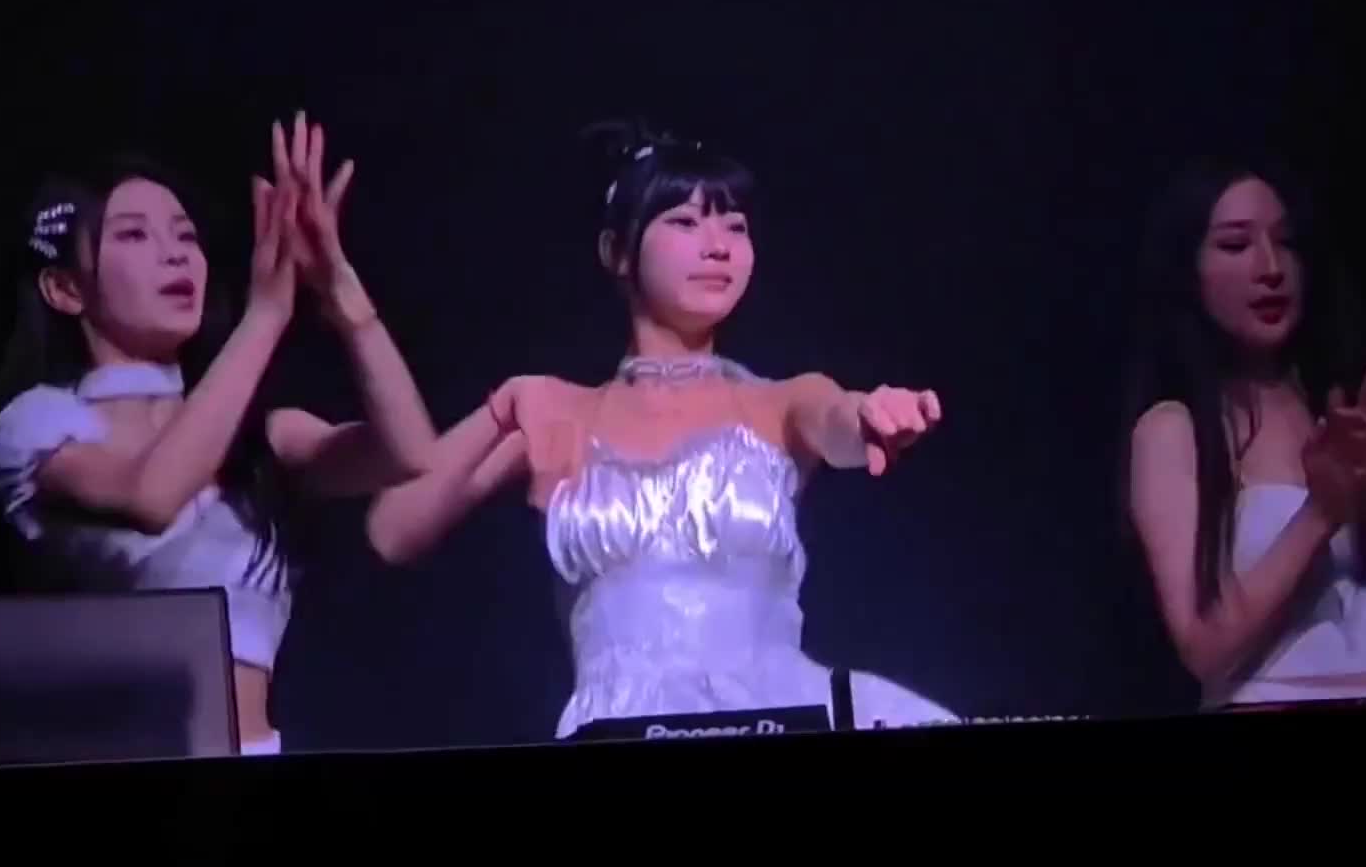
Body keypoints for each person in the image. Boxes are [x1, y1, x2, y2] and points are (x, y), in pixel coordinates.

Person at [364, 120, 958, 737]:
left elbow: (840, 423)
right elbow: (391, 532)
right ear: (616, 252)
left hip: (780, 722)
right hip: (619, 728)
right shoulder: (558, 414)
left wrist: (871, 415)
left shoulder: (781, 403)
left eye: (736, 227)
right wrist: (501, 408)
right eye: (685, 222)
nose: (718, 246)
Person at [0, 114, 436, 755]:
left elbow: (410, 452)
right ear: (64, 287)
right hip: (120, 752)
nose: (174, 254)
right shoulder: (38, 424)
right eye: (133, 235)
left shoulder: (255, 437)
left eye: (185, 235)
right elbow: (152, 496)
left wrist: (344, 297)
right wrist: (266, 316)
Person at [1121, 158, 1366, 710]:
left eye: (1286, 242)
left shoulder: (1341, 405)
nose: (1271, 268)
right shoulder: (1175, 428)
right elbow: (1202, 646)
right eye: (1236, 245)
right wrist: (1319, 513)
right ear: (1187, 271)